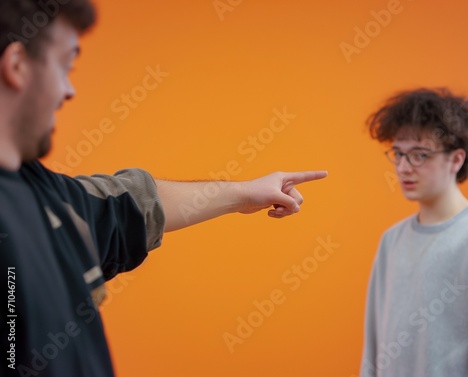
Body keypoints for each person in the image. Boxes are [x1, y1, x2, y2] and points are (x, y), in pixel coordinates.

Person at [0, 1, 327, 376]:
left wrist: (245, 193)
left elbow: (130, 204)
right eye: (65, 65)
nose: (69, 89)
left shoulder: (43, 194)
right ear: (17, 66)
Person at [360, 88, 468, 376]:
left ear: (456, 159)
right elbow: (372, 351)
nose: (403, 167)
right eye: (398, 153)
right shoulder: (391, 240)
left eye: (419, 155)